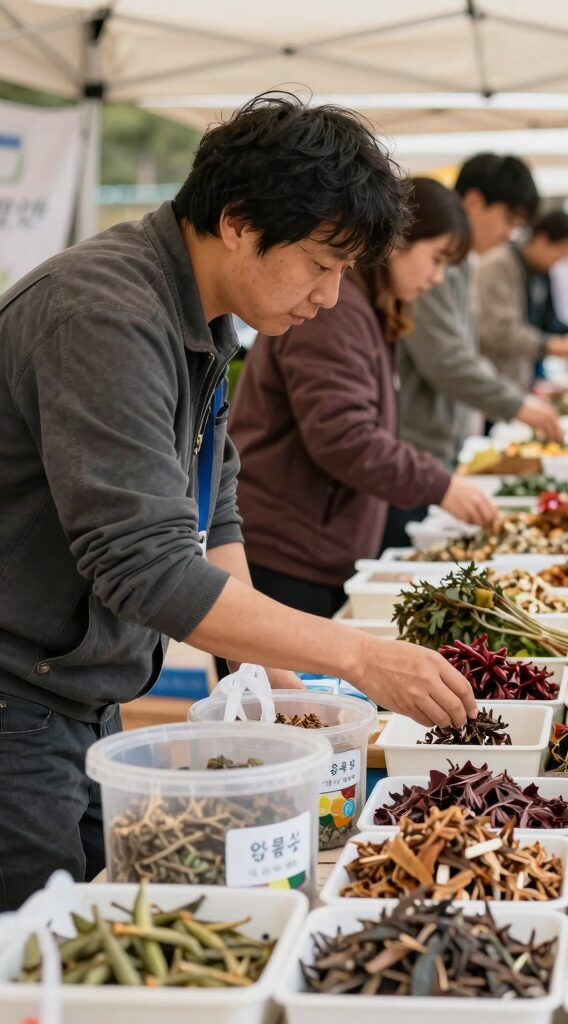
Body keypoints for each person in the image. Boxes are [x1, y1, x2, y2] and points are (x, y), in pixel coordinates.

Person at [0, 94, 477, 911]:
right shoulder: (104, 314)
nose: (329, 298)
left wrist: (279, 685)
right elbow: (145, 568)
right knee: (36, 962)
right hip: (17, 704)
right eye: (321, 265)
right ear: (236, 221)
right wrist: (356, 657)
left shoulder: (204, 319)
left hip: (80, 699)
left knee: (95, 929)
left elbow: (213, 509)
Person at [229, 178, 498, 616]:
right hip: (286, 556)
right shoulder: (335, 312)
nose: (437, 277)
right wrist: (439, 484)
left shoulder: (368, 309)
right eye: (436, 259)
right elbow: (344, 436)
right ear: (397, 244)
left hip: (318, 550)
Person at [382, 153, 563, 549]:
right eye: (509, 221)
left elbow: (462, 350)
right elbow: (445, 358)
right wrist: (516, 404)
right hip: (411, 455)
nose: (507, 235)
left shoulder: (456, 263)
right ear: (476, 202)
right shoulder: (433, 256)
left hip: (432, 452)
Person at [477, 209, 568, 392]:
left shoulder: (541, 270)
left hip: (523, 379)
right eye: (561, 251)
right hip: (495, 381)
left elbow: (548, 318)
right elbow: (500, 332)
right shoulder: (499, 265)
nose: (562, 260)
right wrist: (555, 347)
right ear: (541, 238)